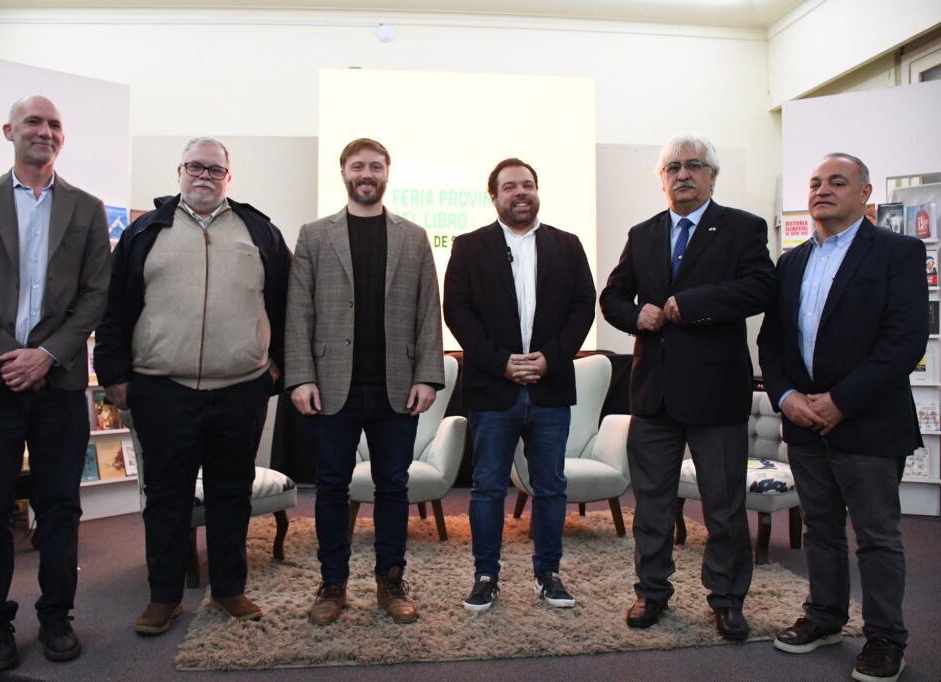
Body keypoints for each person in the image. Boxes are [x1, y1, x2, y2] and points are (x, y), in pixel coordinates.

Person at [93, 137, 291, 635]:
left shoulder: (259, 231)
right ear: (179, 172)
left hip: (240, 389)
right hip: (163, 389)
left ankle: (228, 589)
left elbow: (288, 303)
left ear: (229, 176)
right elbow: (114, 306)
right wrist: (114, 374)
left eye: (215, 169)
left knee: (231, 493)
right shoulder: (145, 231)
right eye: (195, 167)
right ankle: (164, 598)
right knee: (166, 498)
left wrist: (279, 365)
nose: (205, 176)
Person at [0, 95, 111, 670]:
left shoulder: (86, 208)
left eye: (55, 124)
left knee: (60, 506)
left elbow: (95, 295)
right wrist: (9, 357)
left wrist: (46, 355)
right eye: (33, 122)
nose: (45, 131)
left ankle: (57, 614)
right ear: (9, 130)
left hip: (58, 383)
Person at [599, 134, 775, 640]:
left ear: (712, 176)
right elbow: (612, 297)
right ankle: (651, 592)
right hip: (653, 395)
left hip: (716, 395)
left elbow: (761, 288)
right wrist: (636, 315)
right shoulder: (643, 233)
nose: (682, 174)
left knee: (723, 508)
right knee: (652, 505)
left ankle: (727, 600)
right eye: (673, 167)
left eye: (694, 165)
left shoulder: (742, 228)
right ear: (662, 179)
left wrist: (691, 305)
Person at [758, 153, 925, 682]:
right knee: (821, 528)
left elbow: (905, 341)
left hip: (868, 421)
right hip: (804, 421)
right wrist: (786, 396)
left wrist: (841, 400)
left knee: (876, 535)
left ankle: (885, 639)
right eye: (815, 183)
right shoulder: (791, 263)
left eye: (837, 182)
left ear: (865, 193)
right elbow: (772, 341)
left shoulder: (897, 252)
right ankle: (825, 617)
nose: (822, 190)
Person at [285, 138, 444, 625]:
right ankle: (332, 583)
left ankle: (390, 580)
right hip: (331, 386)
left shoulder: (413, 236)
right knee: (331, 487)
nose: (367, 174)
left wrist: (428, 376)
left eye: (376, 166)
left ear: (387, 173)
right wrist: (300, 377)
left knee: (393, 486)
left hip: (397, 387)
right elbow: (299, 311)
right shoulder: (314, 235)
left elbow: (428, 311)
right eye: (358, 166)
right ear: (344, 172)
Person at [443, 158, 596, 611]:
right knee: (489, 487)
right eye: (510, 187)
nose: (521, 192)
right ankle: (485, 576)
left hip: (550, 388)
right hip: (493, 390)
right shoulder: (469, 247)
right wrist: (500, 363)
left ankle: (548, 574)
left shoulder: (567, 245)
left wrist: (550, 359)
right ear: (494, 196)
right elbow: (457, 312)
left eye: (528, 184)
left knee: (551, 486)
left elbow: (583, 307)